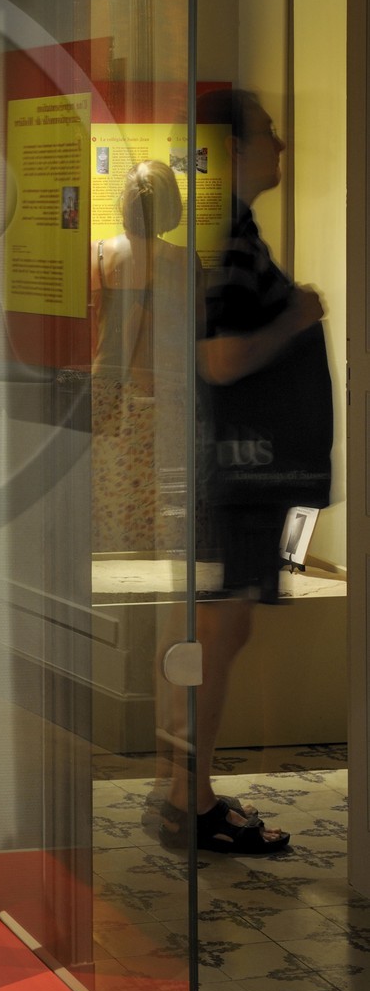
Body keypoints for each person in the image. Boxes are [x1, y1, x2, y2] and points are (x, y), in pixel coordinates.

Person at [156, 88, 329, 854]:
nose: (281, 144)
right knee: (217, 631)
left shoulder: (230, 229)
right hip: (237, 473)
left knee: (222, 630)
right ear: (231, 148)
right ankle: (189, 800)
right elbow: (220, 359)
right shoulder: (225, 235)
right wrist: (296, 317)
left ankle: (189, 793)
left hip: (241, 474)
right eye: (266, 132)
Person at [91, 160, 190, 555]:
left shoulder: (100, 254)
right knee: (157, 490)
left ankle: (107, 556)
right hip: (160, 386)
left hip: (106, 385)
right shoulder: (183, 261)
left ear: (125, 201)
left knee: (108, 486)